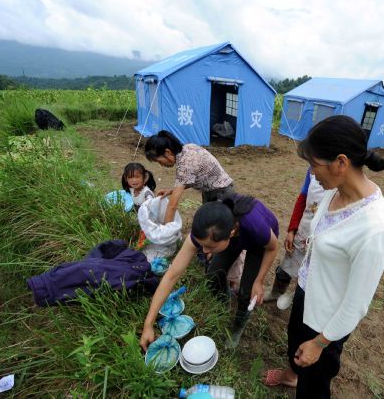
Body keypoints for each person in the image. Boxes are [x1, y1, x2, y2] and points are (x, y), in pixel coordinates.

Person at [263, 115, 384, 398]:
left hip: (327, 321)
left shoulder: (375, 229)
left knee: (315, 380)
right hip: (307, 291)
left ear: (341, 163)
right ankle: (291, 375)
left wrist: (320, 343)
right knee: (294, 345)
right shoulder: (332, 194)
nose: (312, 174)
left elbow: (356, 304)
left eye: (314, 165)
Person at [139, 195, 279, 351]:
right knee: (213, 274)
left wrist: (259, 281)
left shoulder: (255, 226)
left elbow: (273, 248)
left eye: (209, 247)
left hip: (260, 244)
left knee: (247, 291)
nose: (204, 251)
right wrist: (148, 324)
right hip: (230, 237)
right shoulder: (206, 229)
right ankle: (225, 301)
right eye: (201, 245)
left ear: (231, 234)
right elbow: (171, 275)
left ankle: (238, 326)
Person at [264, 168, 324, 308]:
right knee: (287, 265)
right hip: (303, 230)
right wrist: (292, 230)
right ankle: (276, 293)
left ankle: (300, 301)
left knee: (310, 275)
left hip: (321, 237)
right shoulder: (312, 170)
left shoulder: (340, 184)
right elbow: (302, 199)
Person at [144, 130, 235, 223]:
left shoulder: (185, 166)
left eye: (159, 161)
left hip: (221, 194)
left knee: (216, 226)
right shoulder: (188, 148)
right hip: (213, 191)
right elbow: (192, 178)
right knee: (208, 223)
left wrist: (165, 229)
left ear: (167, 152)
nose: (161, 165)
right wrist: (171, 191)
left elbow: (172, 205)